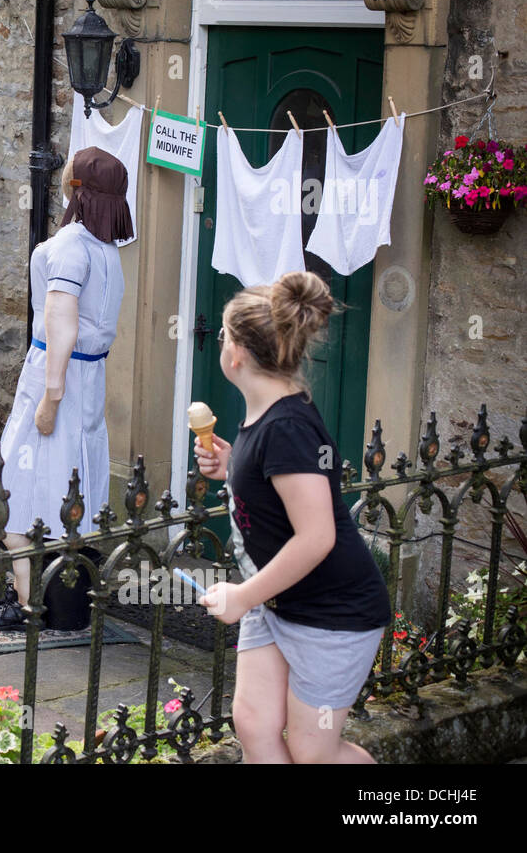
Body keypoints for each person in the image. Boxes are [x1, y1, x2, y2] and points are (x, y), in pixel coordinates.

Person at [194, 271, 390, 764]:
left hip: (333, 615)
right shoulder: (267, 412)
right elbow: (276, 488)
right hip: (279, 603)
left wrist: (242, 595)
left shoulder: (287, 427)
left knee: (314, 749)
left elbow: (317, 536)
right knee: (255, 723)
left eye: (222, 335)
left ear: (235, 354)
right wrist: (233, 468)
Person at [0, 147, 131, 629]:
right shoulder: (107, 251)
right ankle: (51, 600)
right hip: (88, 378)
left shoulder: (70, 245)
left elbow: (61, 323)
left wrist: (50, 397)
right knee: (70, 486)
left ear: (76, 190)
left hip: (58, 373)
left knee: (15, 488)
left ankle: (28, 604)